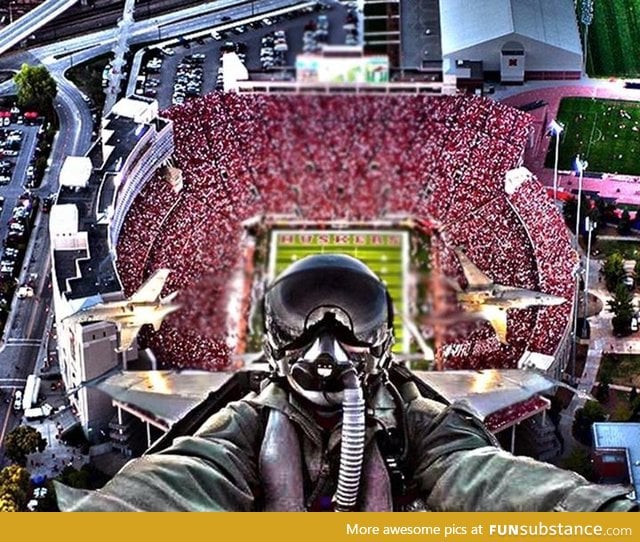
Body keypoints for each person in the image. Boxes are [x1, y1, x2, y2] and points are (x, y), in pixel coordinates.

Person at [56, 254, 637, 512]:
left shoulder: (421, 421)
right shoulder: (239, 424)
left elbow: (496, 482)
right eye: (303, 324)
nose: (326, 351)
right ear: (276, 339)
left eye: (348, 326)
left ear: (380, 342)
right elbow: (168, 486)